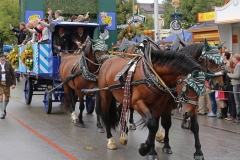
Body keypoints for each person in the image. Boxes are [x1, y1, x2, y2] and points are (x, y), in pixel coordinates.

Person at [0, 45, 16, 119]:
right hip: (0, 83)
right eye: (1, 58)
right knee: (0, 97)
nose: (3, 59)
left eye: (4, 58)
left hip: (7, 83)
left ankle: (4, 108)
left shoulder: (8, 65)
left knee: (7, 98)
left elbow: (13, 75)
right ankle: (1, 112)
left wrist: (14, 84)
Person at [227, 53, 240, 123]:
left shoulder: (238, 65)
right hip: (236, 84)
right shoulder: (237, 65)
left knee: (237, 102)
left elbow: (237, 75)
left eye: (233, 58)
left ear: (236, 58)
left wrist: (230, 75)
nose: (232, 59)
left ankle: (238, 117)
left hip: (237, 84)